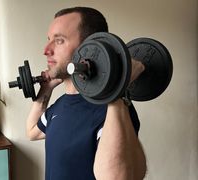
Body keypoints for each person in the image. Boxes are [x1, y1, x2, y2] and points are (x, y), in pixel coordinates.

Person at [26, 7, 147, 180]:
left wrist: (116, 92)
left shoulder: (112, 110)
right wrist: (46, 90)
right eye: (49, 40)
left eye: (59, 41)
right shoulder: (62, 105)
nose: (46, 50)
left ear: (90, 47)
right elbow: (32, 132)